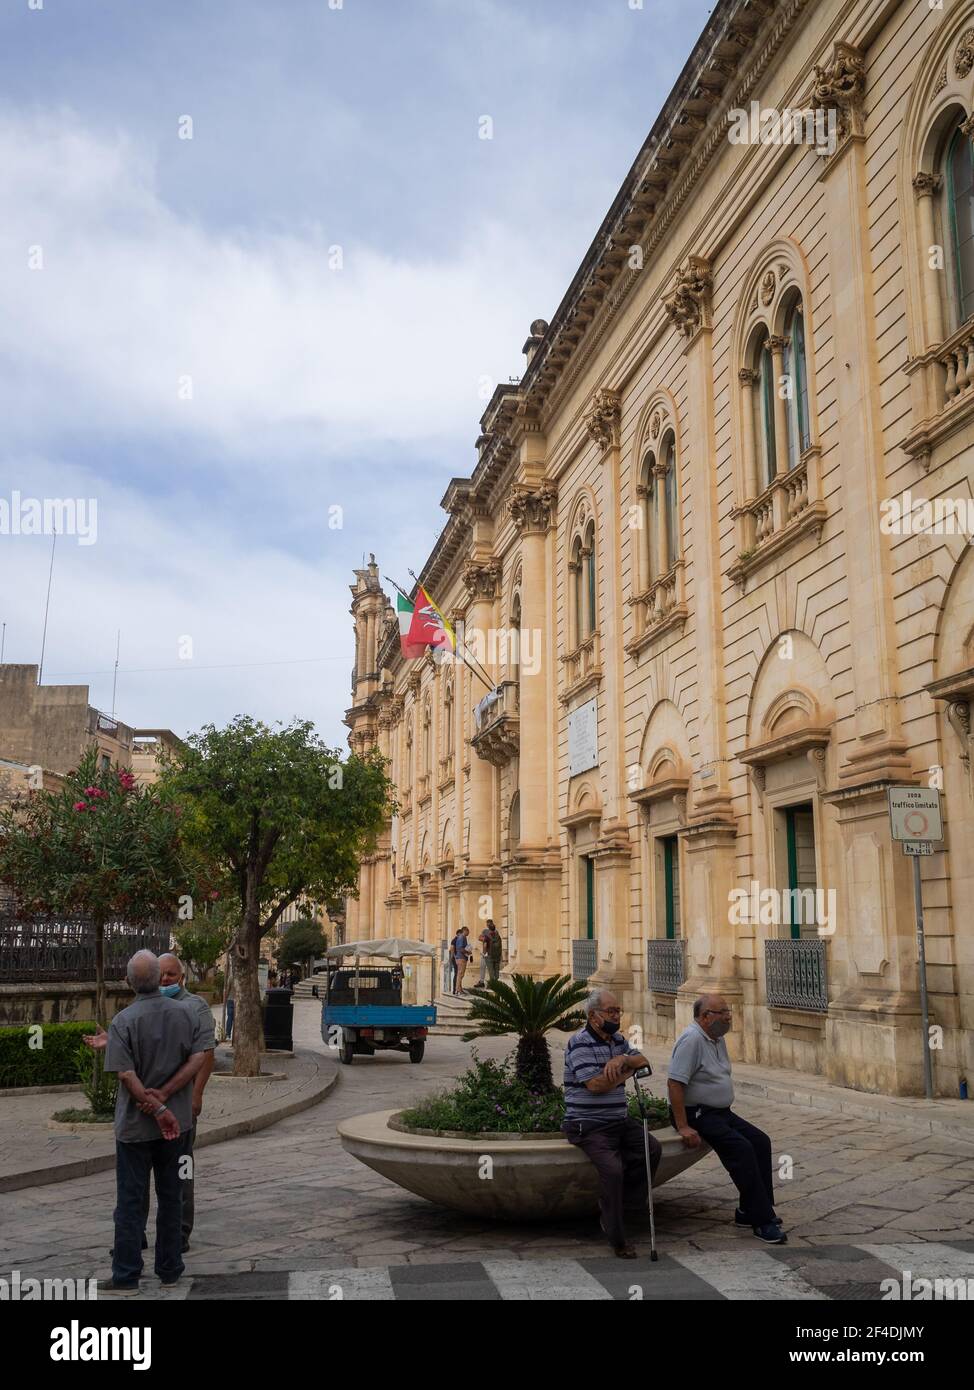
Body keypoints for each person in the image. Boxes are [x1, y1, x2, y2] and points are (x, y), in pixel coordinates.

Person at [84, 950, 209, 1292]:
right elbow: (200, 1057)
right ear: (158, 979)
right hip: (178, 1129)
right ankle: (170, 1268)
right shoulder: (186, 1014)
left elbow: (126, 1075)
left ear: (129, 983)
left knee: (130, 1201)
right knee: (172, 1196)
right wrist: (167, 1098)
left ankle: (126, 1274)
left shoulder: (123, 1021)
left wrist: (154, 1107)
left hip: (135, 1130)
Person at [668, 993, 785, 1245]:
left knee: (760, 1141)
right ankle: (761, 1220)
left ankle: (747, 1210)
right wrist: (683, 1125)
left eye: (727, 1011)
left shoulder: (716, 1038)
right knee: (740, 1149)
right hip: (697, 1113)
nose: (728, 1016)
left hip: (720, 1112)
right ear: (705, 1017)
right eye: (722, 1012)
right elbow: (675, 1083)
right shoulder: (691, 1040)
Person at [562, 988, 660, 1258]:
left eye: (618, 1011)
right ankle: (616, 1235)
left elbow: (644, 1061)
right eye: (611, 1011)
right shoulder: (579, 1043)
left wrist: (623, 1060)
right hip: (587, 1124)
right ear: (594, 1016)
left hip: (618, 1120)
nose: (617, 1015)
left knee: (651, 1149)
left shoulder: (617, 1040)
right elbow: (595, 1085)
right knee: (613, 1171)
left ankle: (625, 1206)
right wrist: (627, 1073)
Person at [452, 926, 472, 995]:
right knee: (460, 974)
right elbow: (460, 948)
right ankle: (458, 989)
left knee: (460, 974)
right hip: (461, 958)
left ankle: (459, 989)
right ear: (465, 931)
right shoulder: (462, 937)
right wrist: (468, 952)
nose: (468, 933)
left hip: (460, 958)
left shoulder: (462, 937)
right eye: (468, 931)